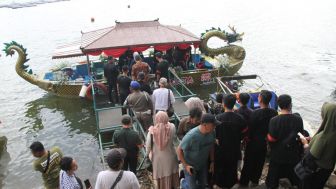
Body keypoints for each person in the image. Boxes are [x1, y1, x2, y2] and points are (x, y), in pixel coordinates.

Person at [239, 90, 278, 187]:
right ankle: (255, 180)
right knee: (260, 162)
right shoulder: (274, 112)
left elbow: (250, 129)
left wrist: (246, 139)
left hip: (253, 141)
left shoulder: (255, 113)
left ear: (260, 99)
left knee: (248, 162)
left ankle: (244, 182)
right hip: (265, 141)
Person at [266, 94, 304, 189]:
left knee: (273, 179)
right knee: (293, 176)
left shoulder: (274, 120)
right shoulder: (298, 119)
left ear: (279, 105)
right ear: (290, 105)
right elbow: (300, 135)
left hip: (278, 154)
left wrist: (267, 136)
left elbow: (272, 138)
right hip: (293, 154)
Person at [177, 113, 220, 189]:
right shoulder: (191, 136)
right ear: (205, 125)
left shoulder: (212, 132)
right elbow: (179, 150)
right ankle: (183, 182)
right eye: (213, 124)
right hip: (190, 165)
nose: (215, 126)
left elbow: (211, 146)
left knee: (203, 185)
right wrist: (186, 165)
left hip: (202, 164)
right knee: (192, 187)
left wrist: (212, 161)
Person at [214, 94, 248, 188]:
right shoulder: (240, 118)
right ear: (234, 104)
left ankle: (220, 184)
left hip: (221, 148)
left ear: (223, 104)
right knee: (232, 168)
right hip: (234, 148)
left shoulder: (218, 118)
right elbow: (244, 133)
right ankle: (231, 183)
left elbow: (214, 135)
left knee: (221, 168)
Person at [301, 102, 336, 189]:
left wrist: (305, 144)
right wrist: (313, 138)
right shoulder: (332, 133)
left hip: (315, 171)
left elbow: (310, 156)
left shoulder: (323, 137)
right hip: (328, 169)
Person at [146, 111, 179, 189]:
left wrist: (148, 154)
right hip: (171, 157)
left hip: (158, 159)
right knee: (172, 175)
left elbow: (148, 147)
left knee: (162, 177)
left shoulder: (151, 132)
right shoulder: (172, 127)